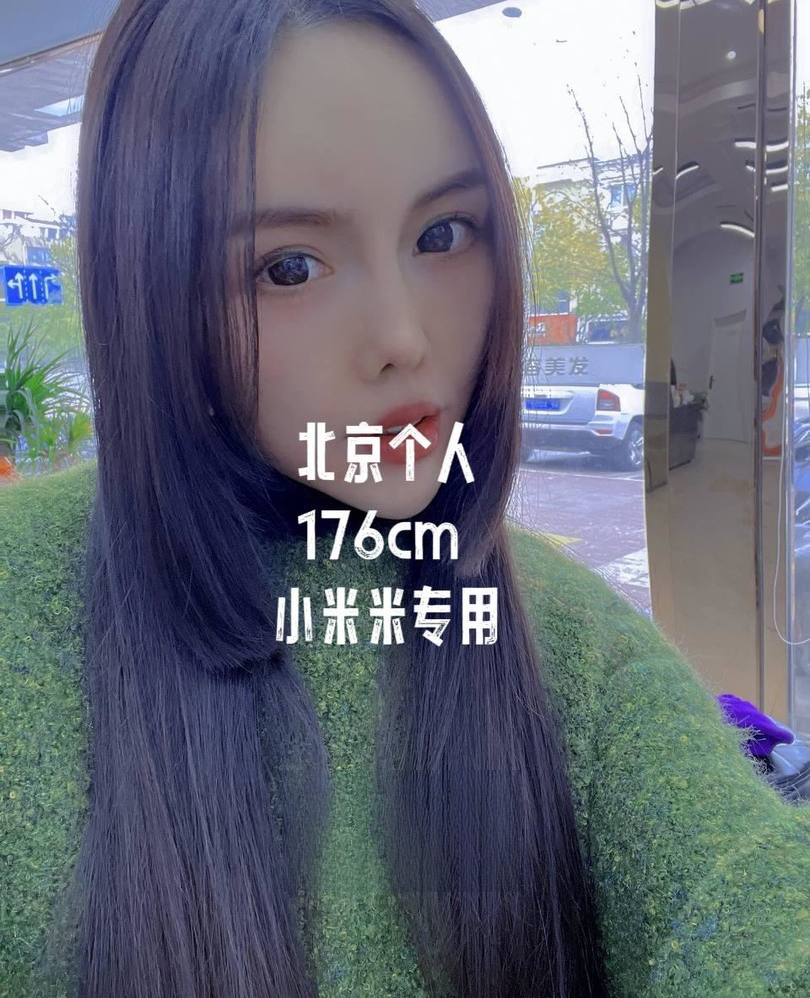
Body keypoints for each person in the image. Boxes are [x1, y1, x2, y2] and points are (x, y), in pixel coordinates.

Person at [1, 1, 809, 996]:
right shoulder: (22, 603)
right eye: (289, 267)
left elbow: (752, 905)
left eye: (442, 233)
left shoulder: (560, 637)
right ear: (149, 288)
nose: (403, 336)